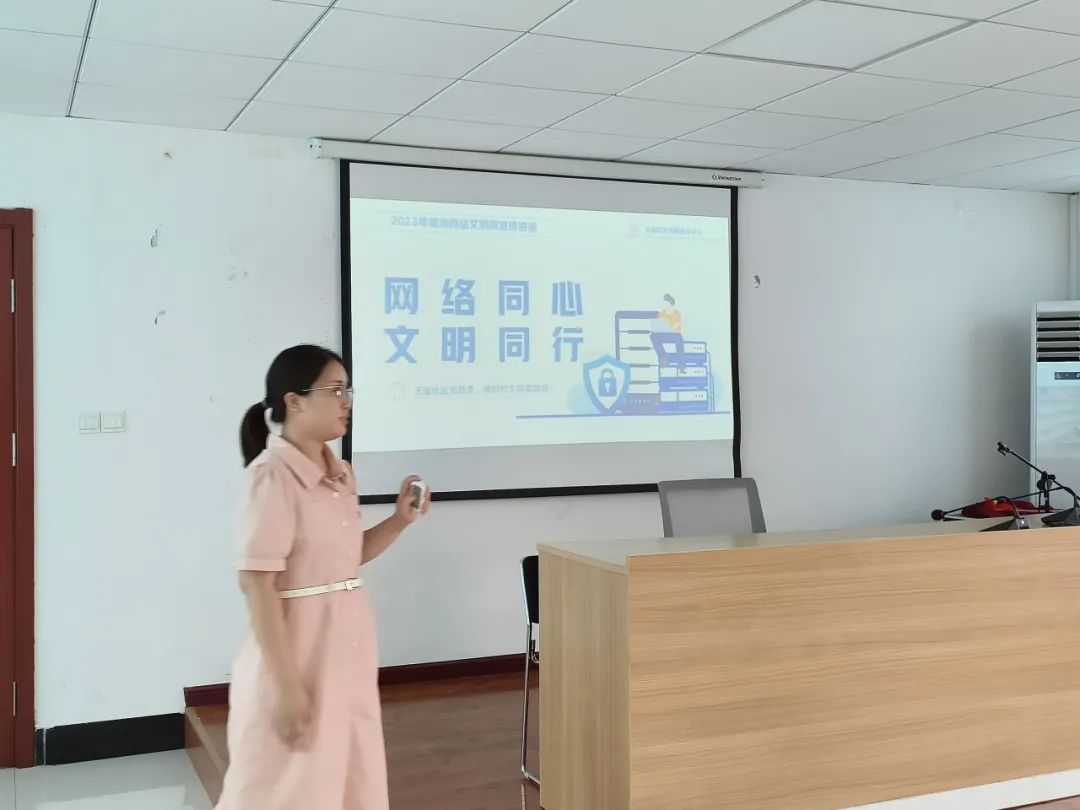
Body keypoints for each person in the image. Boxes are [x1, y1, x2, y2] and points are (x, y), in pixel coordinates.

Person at [217, 344, 429, 810]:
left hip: (346, 652)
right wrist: (287, 685)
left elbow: (345, 562)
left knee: (349, 778)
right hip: (298, 654)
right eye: (335, 390)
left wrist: (400, 520)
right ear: (294, 401)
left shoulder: (340, 474)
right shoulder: (271, 477)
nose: (346, 402)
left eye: (348, 390)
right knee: (288, 789)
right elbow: (256, 583)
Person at [650, 294, 685, 369]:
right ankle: (664, 358)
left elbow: (677, 325)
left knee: (679, 339)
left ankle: (681, 364)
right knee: (653, 336)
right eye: (664, 304)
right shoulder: (662, 313)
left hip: (674, 334)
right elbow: (659, 324)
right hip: (664, 334)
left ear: (671, 303)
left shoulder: (676, 313)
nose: (665, 305)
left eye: (667, 303)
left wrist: (670, 328)